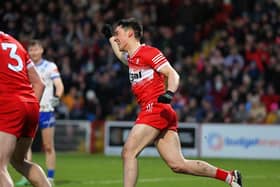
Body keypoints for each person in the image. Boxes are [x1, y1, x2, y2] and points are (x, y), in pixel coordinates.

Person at [101, 18, 242, 187]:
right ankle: (230, 177)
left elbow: (173, 74)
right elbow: (119, 54)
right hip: (161, 111)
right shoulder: (132, 59)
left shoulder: (149, 53)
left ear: (130, 34)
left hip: (155, 107)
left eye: (118, 34)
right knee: (178, 164)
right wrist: (109, 37)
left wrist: (170, 92)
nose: (116, 38)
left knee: (128, 152)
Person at [0, 31, 51, 187]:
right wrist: (27, 109)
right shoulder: (15, 44)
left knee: (0, 167)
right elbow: (39, 84)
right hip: (30, 105)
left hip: (9, 106)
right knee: (19, 161)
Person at [16, 40, 64, 186]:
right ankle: (26, 176)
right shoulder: (25, 67)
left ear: (42, 50)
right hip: (30, 110)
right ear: (28, 52)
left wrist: (57, 97)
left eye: (36, 49)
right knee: (25, 146)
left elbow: (59, 85)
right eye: (31, 50)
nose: (34, 52)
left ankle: (50, 177)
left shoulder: (50, 66)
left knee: (48, 146)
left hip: (46, 110)